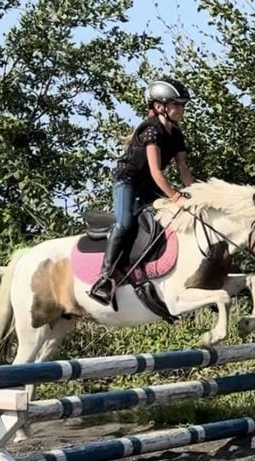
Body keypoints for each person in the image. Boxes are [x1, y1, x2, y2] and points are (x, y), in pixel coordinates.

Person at [88, 77, 197, 306]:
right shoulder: (151, 130)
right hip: (127, 181)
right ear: (159, 107)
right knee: (125, 223)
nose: (181, 109)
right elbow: (158, 173)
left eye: (182, 105)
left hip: (148, 185)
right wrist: (176, 197)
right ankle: (104, 278)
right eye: (176, 104)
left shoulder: (176, 135)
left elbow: (183, 169)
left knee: (170, 218)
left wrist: (196, 195)